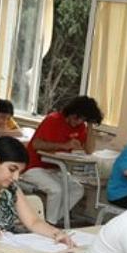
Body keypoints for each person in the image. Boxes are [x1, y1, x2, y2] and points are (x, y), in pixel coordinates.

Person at [22, 96, 104, 225]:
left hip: (55, 168)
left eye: (83, 119)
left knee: (78, 189)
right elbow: (36, 144)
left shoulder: (81, 126)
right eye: (77, 118)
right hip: (34, 166)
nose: (78, 122)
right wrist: (63, 146)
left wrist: (90, 126)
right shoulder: (53, 119)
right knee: (56, 189)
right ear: (71, 112)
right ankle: (50, 223)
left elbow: (89, 150)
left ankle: (51, 220)